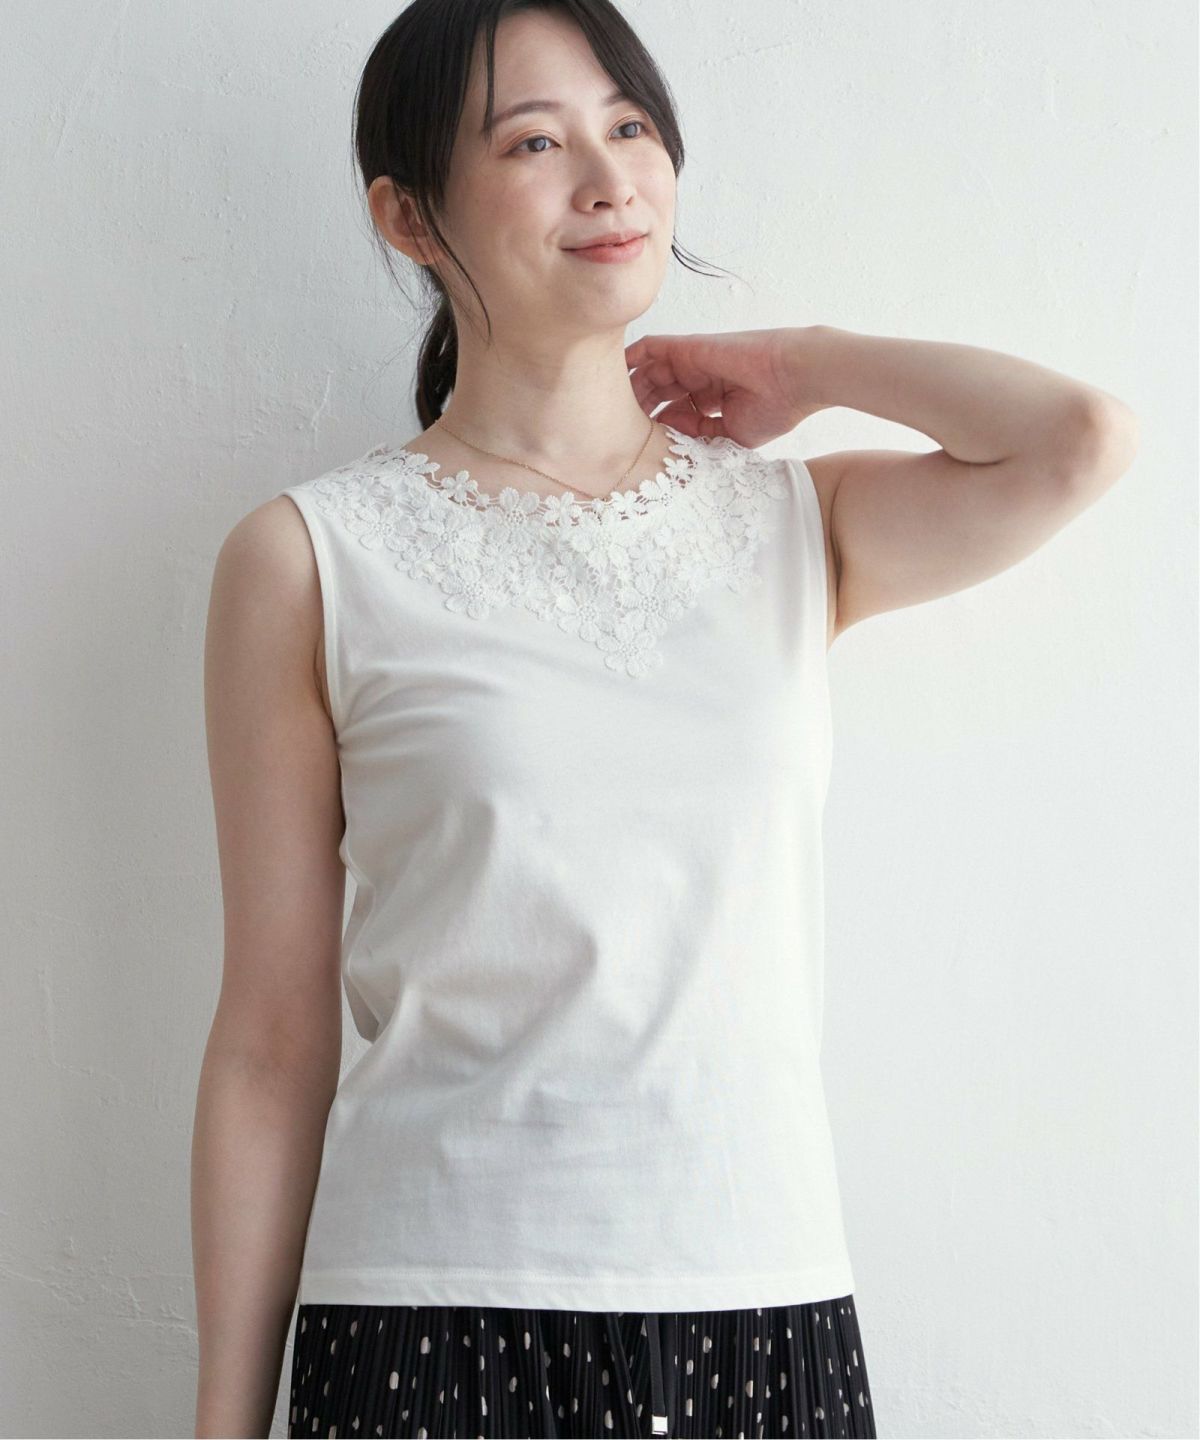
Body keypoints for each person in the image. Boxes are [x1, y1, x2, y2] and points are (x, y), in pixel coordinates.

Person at [191, 2, 1139, 1437]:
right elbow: (270, 1044)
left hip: (759, 1293)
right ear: (407, 215)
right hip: (426, 1311)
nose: (608, 178)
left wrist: (806, 363)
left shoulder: (792, 525)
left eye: (630, 127)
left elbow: (1078, 441)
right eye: (534, 142)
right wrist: (221, 1420)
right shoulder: (309, 559)